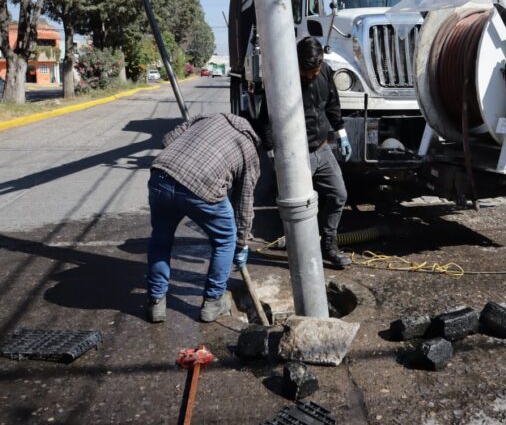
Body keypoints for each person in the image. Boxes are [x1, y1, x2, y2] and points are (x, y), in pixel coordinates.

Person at [146, 113, 260, 324]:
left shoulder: (209, 117)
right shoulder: (249, 149)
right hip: (202, 187)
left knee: (160, 241)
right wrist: (242, 243)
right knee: (226, 239)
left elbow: (167, 140)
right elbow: (244, 202)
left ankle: (155, 302)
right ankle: (212, 302)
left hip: (161, 176)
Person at [258, 36, 353, 269]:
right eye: (307, 71)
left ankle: (329, 246)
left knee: (338, 195)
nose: (312, 75)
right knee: (298, 207)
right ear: (296, 63)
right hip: (296, 155)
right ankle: (300, 252)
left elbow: (332, 103)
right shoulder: (281, 81)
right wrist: (272, 154)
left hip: (322, 149)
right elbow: (265, 120)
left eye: (316, 70)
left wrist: (341, 133)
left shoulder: (326, 72)